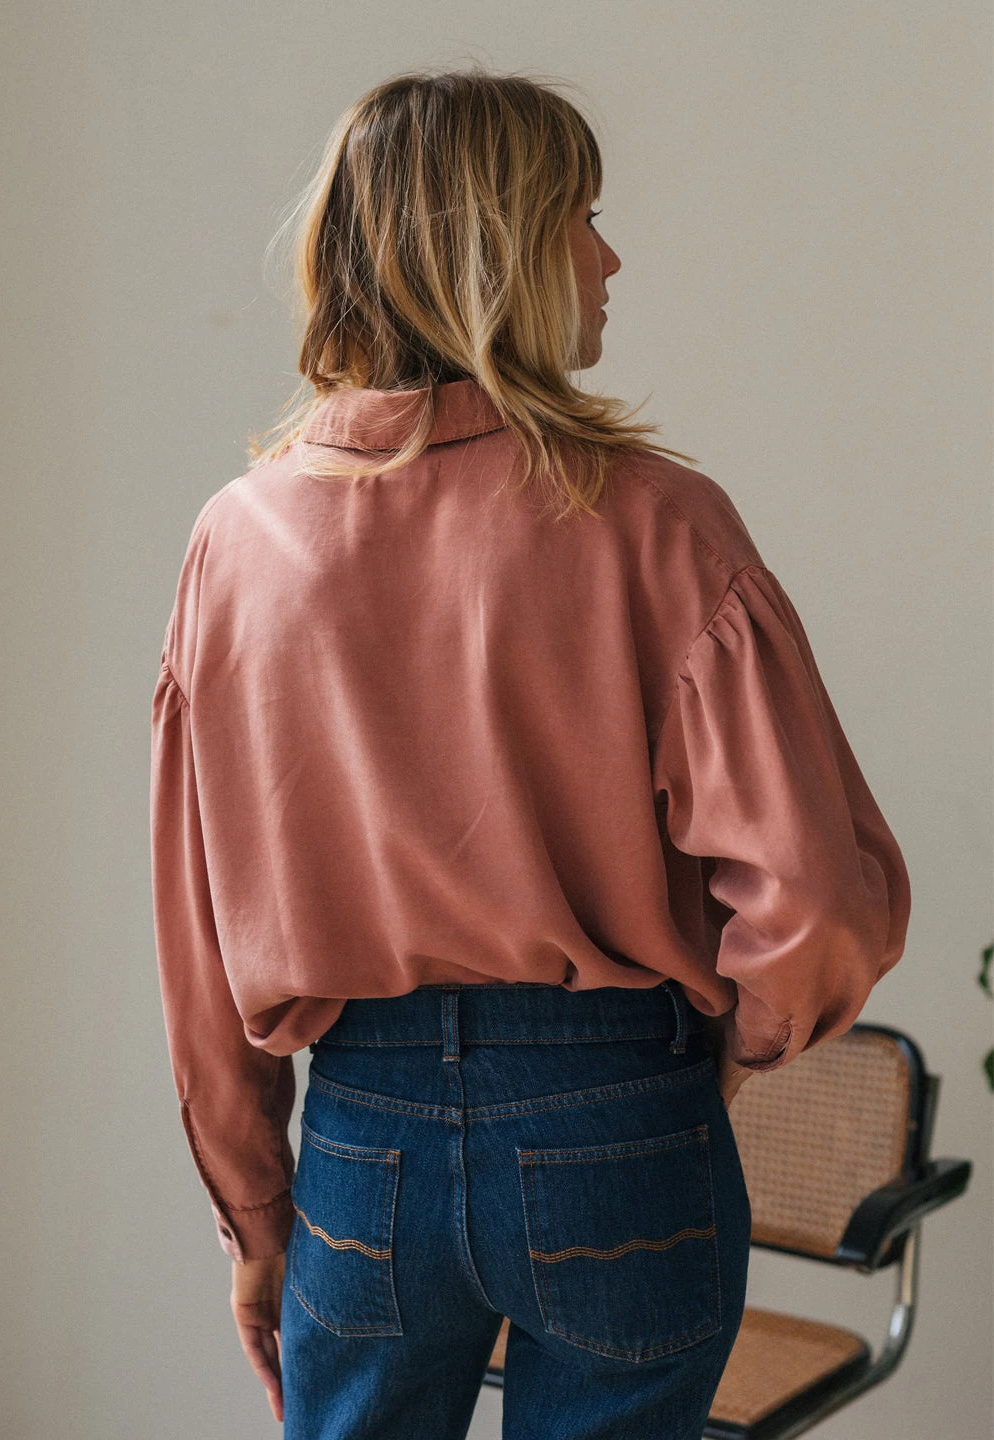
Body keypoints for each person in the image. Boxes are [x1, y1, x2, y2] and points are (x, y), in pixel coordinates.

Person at [149, 66, 911, 1439]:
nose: (611, 261)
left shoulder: (238, 544)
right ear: (496, 248)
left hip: (362, 1141)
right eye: (585, 218)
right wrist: (732, 1050)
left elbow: (202, 940)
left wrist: (255, 1215)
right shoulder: (662, 524)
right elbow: (822, 900)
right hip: (621, 1113)